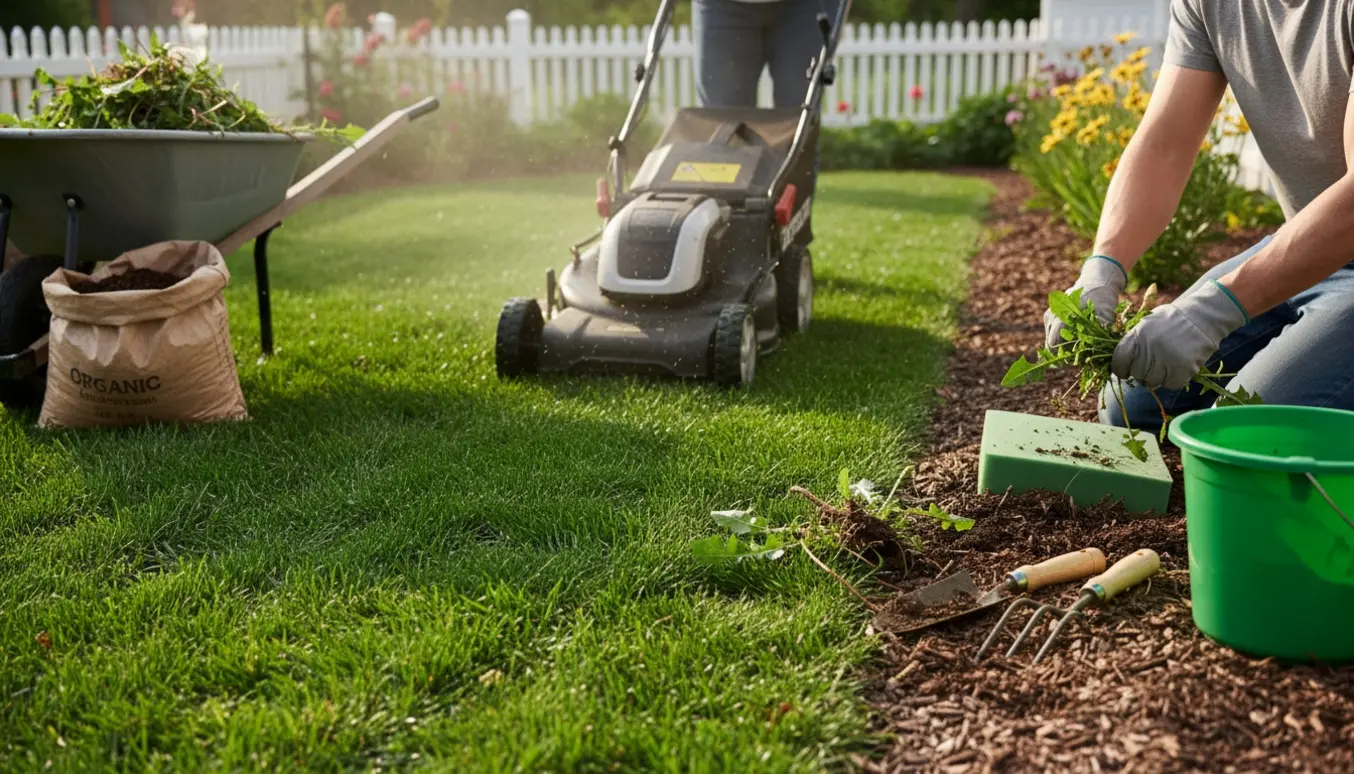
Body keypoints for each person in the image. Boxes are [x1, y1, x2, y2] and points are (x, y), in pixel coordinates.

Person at [1045, 0, 1354, 433]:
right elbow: (1165, 144)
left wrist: (1215, 309)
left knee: (1242, 433)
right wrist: (1104, 266)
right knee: (1131, 403)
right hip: (1305, 247)